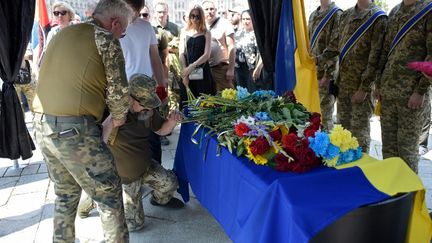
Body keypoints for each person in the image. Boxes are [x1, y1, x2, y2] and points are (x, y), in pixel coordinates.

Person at [31, 0, 133, 242]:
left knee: (65, 195)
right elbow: (119, 93)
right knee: (108, 194)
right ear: (114, 23)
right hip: (74, 131)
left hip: (41, 125)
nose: (122, 36)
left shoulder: (61, 34)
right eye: (124, 32)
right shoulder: (105, 38)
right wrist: (116, 120)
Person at [105, 74, 184, 231]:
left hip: (146, 167)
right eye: (144, 104)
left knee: (171, 183)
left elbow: (161, 130)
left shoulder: (147, 111)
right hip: (125, 178)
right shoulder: (112, 110)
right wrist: (111, 122)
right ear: (130, 99)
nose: (148, 108)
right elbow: (97, 141)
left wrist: (172, 122)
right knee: (135, 226)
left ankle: (156, 199)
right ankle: (96, 196)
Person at [318, 0, 387, 153]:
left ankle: (360, 172)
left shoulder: (378, 18)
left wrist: (364, 89)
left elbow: (375, 58)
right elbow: (334, 46)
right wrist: (313, 59)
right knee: (343, 133)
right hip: (343, 86)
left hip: (361, 88)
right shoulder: (346, 15)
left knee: (359, 136)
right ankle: (345, 170)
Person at [376, 0, 432, 173]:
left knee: (407, 153)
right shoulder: (394, 12)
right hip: (388, 92)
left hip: (411, 96)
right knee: (389, 152)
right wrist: (378, 83)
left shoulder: (427, 10)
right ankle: (393, 196)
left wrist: (420, 90)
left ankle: (408, 198)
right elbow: (385, 50)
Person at [119, 0, 169, 161]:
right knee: (124, 135)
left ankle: (155, 171)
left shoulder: (146, 27)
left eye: (137, 6)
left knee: (152, 135)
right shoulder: (113, 27)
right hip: (122, 92)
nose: (134, 10)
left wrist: (161, 87)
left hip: (146, 91)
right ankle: (132, 176)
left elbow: (155, 58)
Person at [308, 0, 342, 131]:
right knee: (311, 114)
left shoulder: (337, 14)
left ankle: (326, 148)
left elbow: (335, 46)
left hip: (325, 74)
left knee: (324, 116)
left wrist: (329, 75)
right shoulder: (313, 15)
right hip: (311, 72)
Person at [154, 1, 183, 145]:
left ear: (167, 12)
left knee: (174, 95)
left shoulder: (175, 28)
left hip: (174, 68)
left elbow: (181, 44)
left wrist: (171, 46)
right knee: (162, 98)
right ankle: (163, 128)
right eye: (158, 12)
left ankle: (171, 122)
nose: (161, 14)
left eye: (163, 12)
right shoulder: (152, 28)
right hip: (159, 70)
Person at [179, 5, 215, 109]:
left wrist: (192, 66)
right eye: (192, 16)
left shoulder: (206, 33)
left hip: (202, 72)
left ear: (202, 17)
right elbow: (181, 53)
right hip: (187, 72)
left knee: (203, 104)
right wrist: (185, 72)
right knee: (187, 104)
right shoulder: (184, 31)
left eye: (197, 16)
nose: (194, 19)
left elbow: (206, 54)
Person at [202, 0, 236, 91]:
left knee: (226, 97)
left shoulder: (225, 24)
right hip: (205, 69)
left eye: (212, 9)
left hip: (221, 69)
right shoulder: (200, 25)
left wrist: (231, 69)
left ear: (215, 10)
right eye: (206, 9)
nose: (209, 11)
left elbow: (231, 47)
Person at [234, 10, 260, 92]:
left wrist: (258, 68)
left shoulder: (257, 34)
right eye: (244, 19)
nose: (246, 21)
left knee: (252, 93)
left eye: (248, 19)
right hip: (239, 68)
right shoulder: (238, 33)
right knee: (241, 93)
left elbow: (261, 53)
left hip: (251, 69)